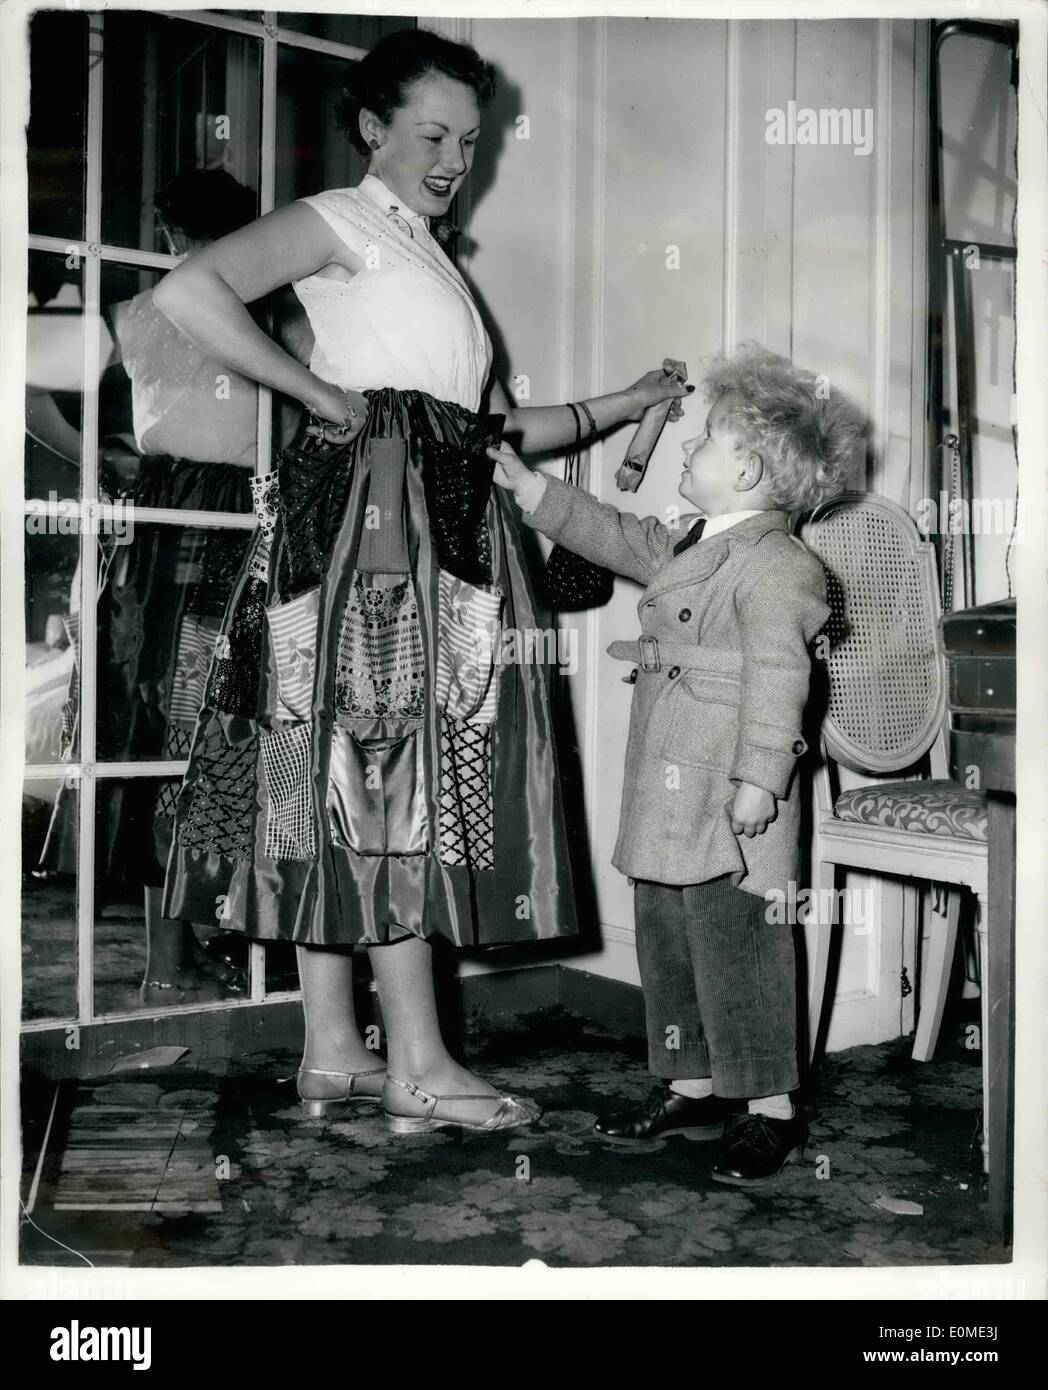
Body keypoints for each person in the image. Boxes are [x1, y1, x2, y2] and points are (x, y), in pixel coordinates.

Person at [153, 29, 688, 1132]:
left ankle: (333, 1051)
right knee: (385, 763)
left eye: (468, 140)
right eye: (432, 134)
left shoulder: (420, 250)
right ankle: (418, 1065)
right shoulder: (342, 220)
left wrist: (621, 404)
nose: (454, 158)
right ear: (373, 128)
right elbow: (192, 292)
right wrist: (314, 392)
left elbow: (481, 426)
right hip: (371, 526)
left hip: (399, 508)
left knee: (336, 760)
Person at [491, 341, 861, 1180]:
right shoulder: (698, 540)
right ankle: (690, 1082)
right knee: (666, 935)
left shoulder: (779, 566)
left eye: (705, 440)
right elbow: (619, 535)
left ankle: (770, 1107)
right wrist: (533, 490)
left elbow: (780, 681)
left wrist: (760, 781)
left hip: (732, 793)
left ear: (753, 470)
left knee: (740, 944)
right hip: (668, 778)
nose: (687, 448)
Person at [33, 170, 304, 997]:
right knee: (190, 723)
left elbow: (30, 375)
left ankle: (194, 951)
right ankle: (184, 955)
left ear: (168, 234)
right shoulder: (255, 311)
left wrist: (91, 458)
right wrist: (96, 460)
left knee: (195, 722)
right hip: (201, 514)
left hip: (216, 512)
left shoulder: (159, 311)